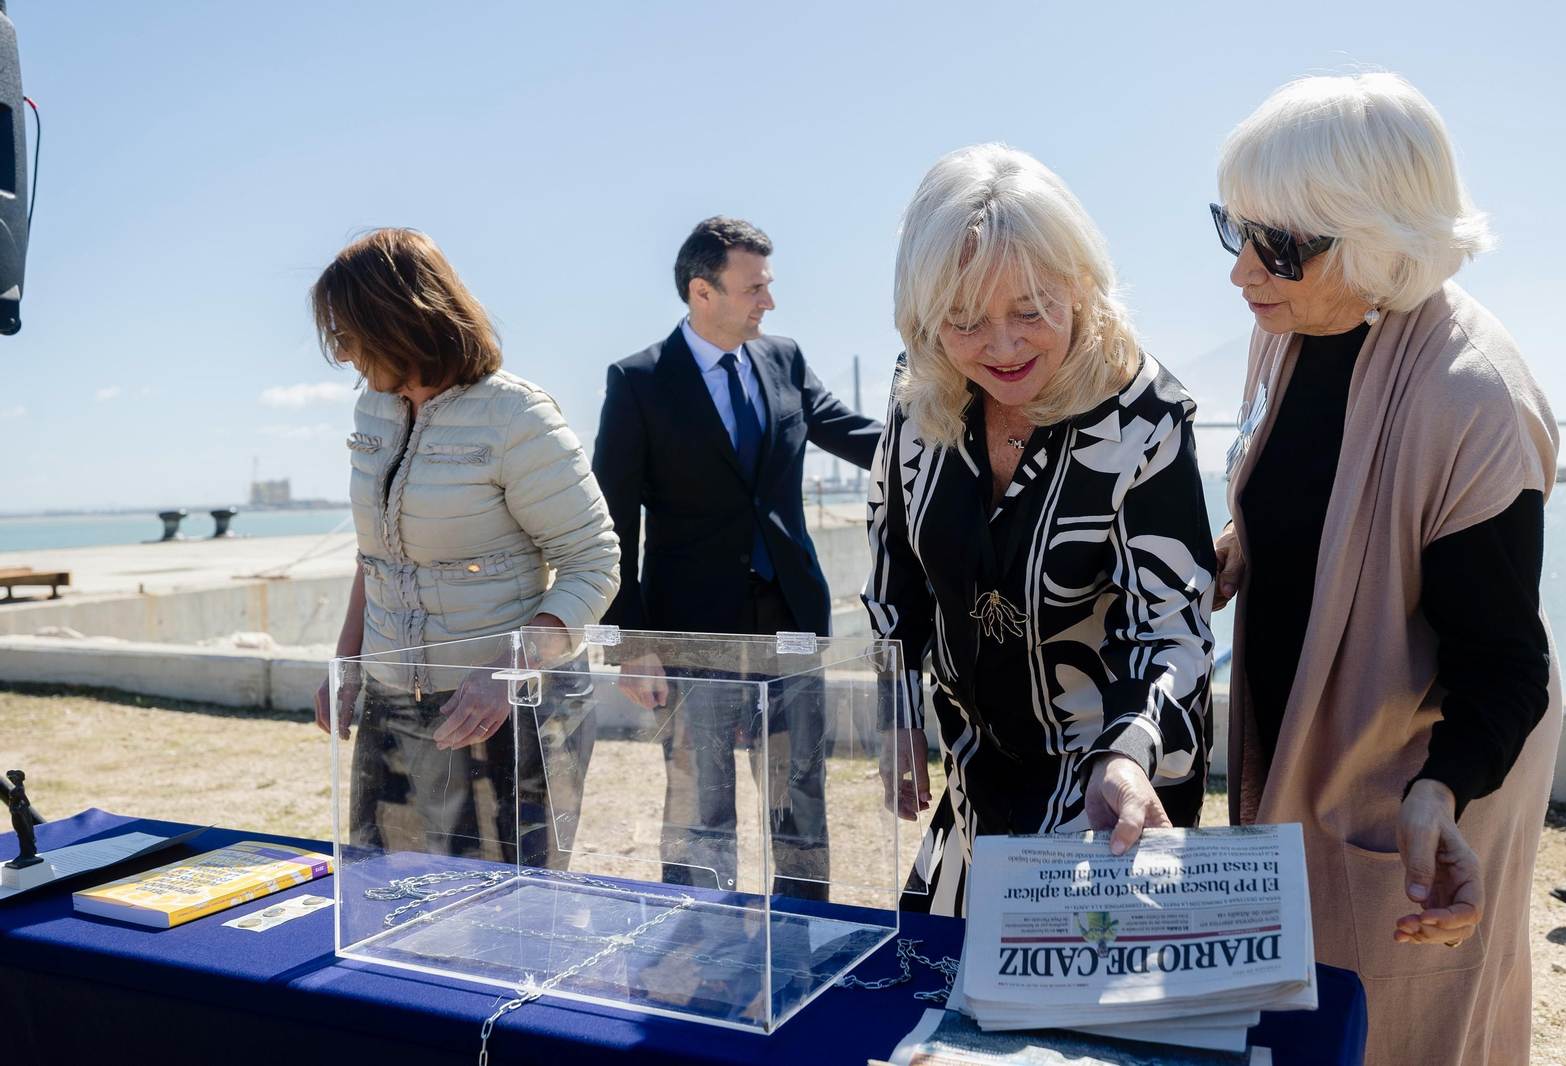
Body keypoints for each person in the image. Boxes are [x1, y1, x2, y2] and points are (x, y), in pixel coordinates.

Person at [1208, 73, 1560, 1066]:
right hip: (1293, 744)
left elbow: (1504, 665)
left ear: (1376, 238)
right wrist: (1245, 547)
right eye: (1233, 229)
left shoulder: (1473, 402)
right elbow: (1306, 490)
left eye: (1275, 244)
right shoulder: (1282, 331)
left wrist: (1435, 794)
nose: (1242, 272)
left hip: (1419, 782)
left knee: (1400, 1027)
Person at [867, 144, 1216, 917]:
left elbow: (1172, 631)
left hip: (1104, 792)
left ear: (1081, 285)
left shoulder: (1144, 417)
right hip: (973, 778)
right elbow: (894, 575)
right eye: (964, 320)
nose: (1002, 346)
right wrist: (894, 710)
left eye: (1031, 310)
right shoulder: (917, 394)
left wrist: (1128, 754)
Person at [593, 216, 882, 900]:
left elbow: (860, 436)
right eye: (754, 288)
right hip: (691, 629)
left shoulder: (785, 360)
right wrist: (628, 643)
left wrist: (958, 426)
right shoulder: (638, 382)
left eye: (768, 287)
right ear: (703, 291)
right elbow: (611, 521)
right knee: (702, 802)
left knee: (800, 791)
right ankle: (698, 942)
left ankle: (809, 932)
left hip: (789, 616)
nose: (769, 302)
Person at [310, 228, 620, 864]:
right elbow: (378, 556)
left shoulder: (518, 416)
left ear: (397, 321)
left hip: (510, 717)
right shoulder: (373, 410)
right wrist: (347, 666)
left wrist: (507, 672)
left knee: (506, 926)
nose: (342, 355)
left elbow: (594, 563)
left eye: (348, 335)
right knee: (384, 906)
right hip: (392, 705)